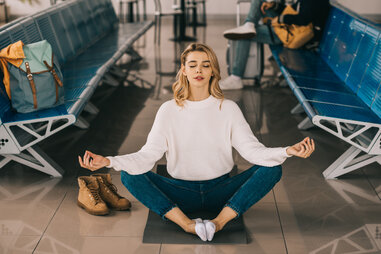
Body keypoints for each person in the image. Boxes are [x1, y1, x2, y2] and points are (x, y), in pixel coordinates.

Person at [78, 43, 315, 242]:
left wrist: (287, 150)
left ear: (213, 71)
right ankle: (186, 224)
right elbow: (149, 154)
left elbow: (252, 151)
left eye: (205, 65)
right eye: (192, 65)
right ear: (183, 70)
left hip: (221, 191)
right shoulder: (168, 110)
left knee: (273, 168)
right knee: (130, 174)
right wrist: (109, 160)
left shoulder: (228, 108)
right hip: (180, 192)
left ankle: (219, 222)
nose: (198, 70)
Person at [220, 0, 330, 90]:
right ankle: (249, 23)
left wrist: (280, 19)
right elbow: (293, 11)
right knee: (261, 3)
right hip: (292, 29)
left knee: (244, 35)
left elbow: (303, 19)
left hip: (294, 36)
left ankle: (236, 77)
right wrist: (274, 6)